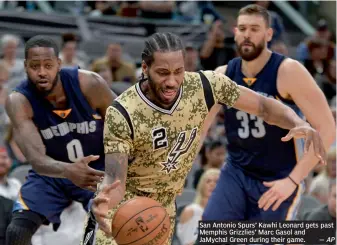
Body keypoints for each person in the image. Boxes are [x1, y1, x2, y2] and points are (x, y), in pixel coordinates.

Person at [84, 32, 326, 245]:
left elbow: (263, 106)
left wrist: (297, 121)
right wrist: (105, 199)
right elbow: (116, 178)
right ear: (145, 69)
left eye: (178, 72)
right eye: (162, 73)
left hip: (162, 210)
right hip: (122, 209)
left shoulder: (205, 86)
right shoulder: (123, 112)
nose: (171, 81)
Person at [201, 4, 335, 224]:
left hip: (278, 176)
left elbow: (328, 129)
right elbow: (199, 130)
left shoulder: (289, 71)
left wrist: (293, 180)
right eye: (242, 28)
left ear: (269, 34)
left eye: (255, 29)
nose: (247, 34)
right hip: (237, 171)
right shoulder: (222, 75)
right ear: (235, 32)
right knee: (212, 231)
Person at [4, 35, 116, 245]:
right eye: (35, 66)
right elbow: (37, 160)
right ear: (25, 66)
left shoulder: (90, 83)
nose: (42, 72)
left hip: (97, 171)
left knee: (104, 231)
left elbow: (126, 128)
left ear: (59, 64)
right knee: (17, 231)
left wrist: (116, 176)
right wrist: (67, 170)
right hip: (51, 172)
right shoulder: (19, 101)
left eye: (48, 65)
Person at [177, 168, 220, 245]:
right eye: (208, 181)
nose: (212, 184)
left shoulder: (224, 214)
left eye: (216, 182)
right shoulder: (191, 211)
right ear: (202, 185)